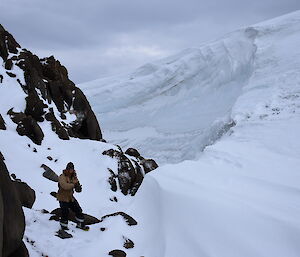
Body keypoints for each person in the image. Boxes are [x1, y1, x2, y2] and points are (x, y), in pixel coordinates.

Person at [56, 162, 88, 230]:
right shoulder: (62, 176)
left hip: (70, 197)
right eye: (70, 168)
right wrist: (73, 185)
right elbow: (64, 186)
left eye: (72, 169)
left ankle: (80, 224)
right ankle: (63, 226)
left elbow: (77, 186)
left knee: (78, 209)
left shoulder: (74, 176)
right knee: (65, 212)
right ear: (67, 168)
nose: (71, 170)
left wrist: (78, 188)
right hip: (62, 197)